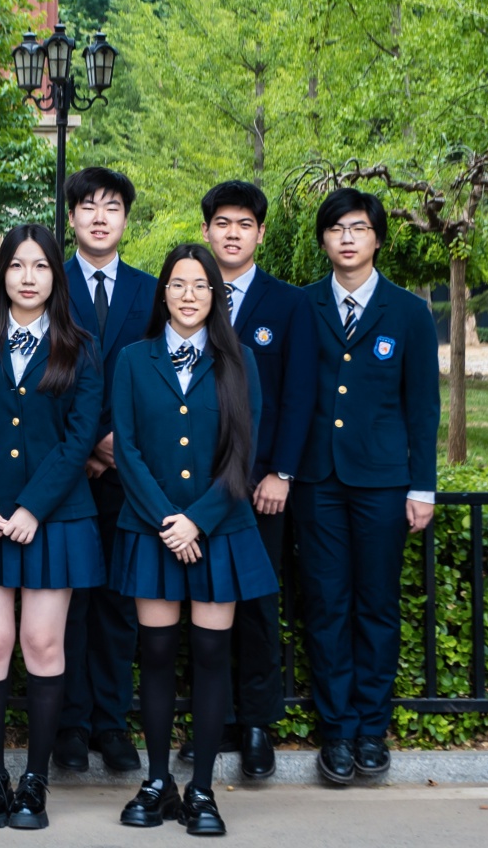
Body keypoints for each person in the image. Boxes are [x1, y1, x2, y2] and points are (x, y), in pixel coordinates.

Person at [110, 243, 271, 835]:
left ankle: (202, 790)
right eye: (178, 284)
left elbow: (242, 454)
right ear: (164, 293)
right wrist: (167, 521)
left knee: (209, 657)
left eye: (201, 285)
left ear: (215, 296)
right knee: (154, 656)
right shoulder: (133, 359)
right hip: (153, 530)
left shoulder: (239, 362)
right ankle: (157, 782)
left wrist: (197, 520)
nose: (189, 295)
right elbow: (126, 449)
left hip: (218, 530)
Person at [0, 224, 103, 831]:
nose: (28, 277)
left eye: (40, 266)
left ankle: (35, 782)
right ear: (2, 275)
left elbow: (79, 438)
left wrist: (34, 507)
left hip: (53, 517)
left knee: (42, 644)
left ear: (55, 277)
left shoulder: (80, 347)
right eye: (17, 266)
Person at [296, 187, 439, 785]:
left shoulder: (408, 312)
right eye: (337, 229)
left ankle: (371, 729)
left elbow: (422, 407)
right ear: (324, 240)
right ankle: (337, 731)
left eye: (358, 228)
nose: (347, 238)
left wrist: (423, 486)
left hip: (383, 482)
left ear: (377, 238)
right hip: (318, 480)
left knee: (376, 605)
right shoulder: (304, 305)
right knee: (326, 604)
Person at [195, 181, 315, 778]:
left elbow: (300, 396)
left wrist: (281, 473)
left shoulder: (289, 304)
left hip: (260, 489)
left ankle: (257, 724)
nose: (233, 233)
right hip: (198, 487)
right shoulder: (188, 293)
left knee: (257, 606)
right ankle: (211, 722)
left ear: (261, 233)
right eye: (222, 223)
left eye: (244, 224)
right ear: (206, 231)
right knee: (202, 604)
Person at [58, 167, 156, 774]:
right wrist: (90, 442)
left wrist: (121, 442)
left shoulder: (151, 290)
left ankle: (111, 723)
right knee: (66, 601)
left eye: (112, 207)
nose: (99, 217)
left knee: (119, 602)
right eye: (88, 206)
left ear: (125, 218)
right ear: (71, 217)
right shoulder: (47, 280)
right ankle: (69, 723)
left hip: (129, 470)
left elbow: (158, 372)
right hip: (65, 471)